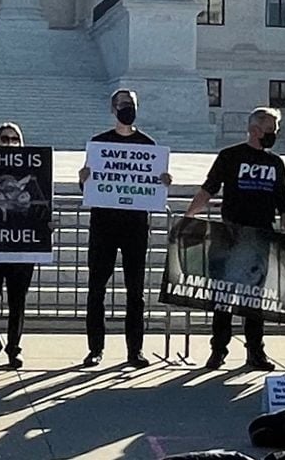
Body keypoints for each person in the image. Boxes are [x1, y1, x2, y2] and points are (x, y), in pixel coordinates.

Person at [185, 107, 285, 371]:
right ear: (254, 129)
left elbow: (283, 202)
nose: (274, 134)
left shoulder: (276, 163)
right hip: (230, 234)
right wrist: (188, 217)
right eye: (270, 129)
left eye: (275, 130)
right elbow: (209, 188)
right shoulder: (230, 156)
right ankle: (218, 350)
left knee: (255, 298)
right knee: (223, 297)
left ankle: (255, 352)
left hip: (261, 235)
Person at [78, 89, 172, 368]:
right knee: (97, 288)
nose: (127, 108)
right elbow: (89, 187)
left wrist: (164, 182)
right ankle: (95, 349)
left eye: (131, 104)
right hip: (104, 225)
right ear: (113, 109)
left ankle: (135, 350)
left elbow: (153, 184)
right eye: (122, 104)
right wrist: (83, 179)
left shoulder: (148, 145)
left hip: (135, 226)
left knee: (135, 292)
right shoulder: (100, 144)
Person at [0, 122, 39, 369]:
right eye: (4, 139)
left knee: (17, 301)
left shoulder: (34, 172)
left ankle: (14, 348)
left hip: (22, 247)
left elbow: (41, 205)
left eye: (14, 139)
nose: (9, 143)